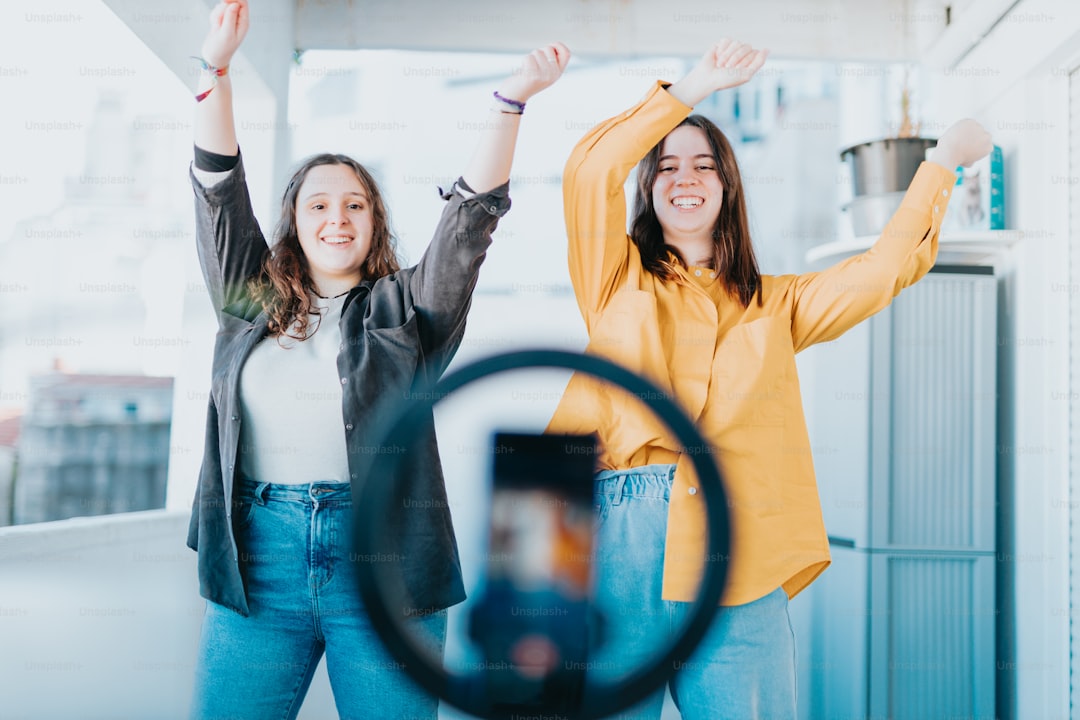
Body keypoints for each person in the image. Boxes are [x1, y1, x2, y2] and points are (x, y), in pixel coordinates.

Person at [546, 39, 992, 719]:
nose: (684, 177)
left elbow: (879, 273)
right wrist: (693, 87)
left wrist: (940, 164)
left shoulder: (777, 304)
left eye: (703, 165)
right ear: (648, 188)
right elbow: (589, 171)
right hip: (617, 542)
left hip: (738, 550)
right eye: (666, 166)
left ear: (728, 187)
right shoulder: (614, 279)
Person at [184, 1, 569, 718]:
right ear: (294, 225)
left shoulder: (408, 312)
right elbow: (217, 189)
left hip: (386, 559)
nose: (337, 217)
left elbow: (468, 223)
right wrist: (217, 68)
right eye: (319, 205)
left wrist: (510, 102)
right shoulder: (247, 303)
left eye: (356, 205)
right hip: (260, 561)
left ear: (374, 222)